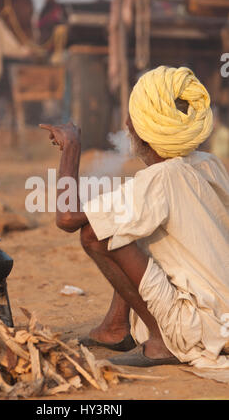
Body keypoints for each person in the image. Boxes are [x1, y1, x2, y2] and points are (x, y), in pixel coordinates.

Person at [40, 65, 229, 368]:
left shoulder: (161, 179)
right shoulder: (207, 162)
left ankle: (160, 343)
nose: (126, 123)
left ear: (144, 128)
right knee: (125, 223)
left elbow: (67, 219)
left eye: (132, 115)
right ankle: (115, 326)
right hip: (222, 318)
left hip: (199, 328)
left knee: (95, 235)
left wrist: (71, 149)